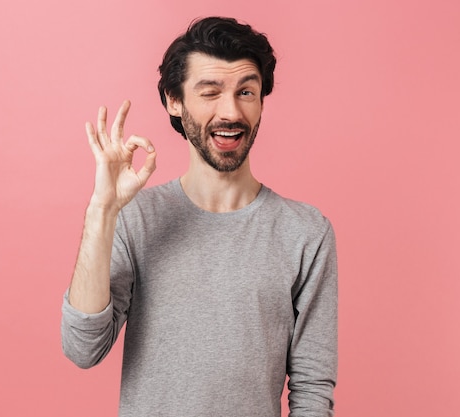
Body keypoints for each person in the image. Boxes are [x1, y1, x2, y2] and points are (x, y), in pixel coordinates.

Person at [61, 16, 338, 417]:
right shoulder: (136, 218)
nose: (231, 111)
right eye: (210, 92)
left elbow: (312, 387)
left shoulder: (306, 233)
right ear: (175, 101)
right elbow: (83, 349)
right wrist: (102, 211)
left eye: (246, 91)